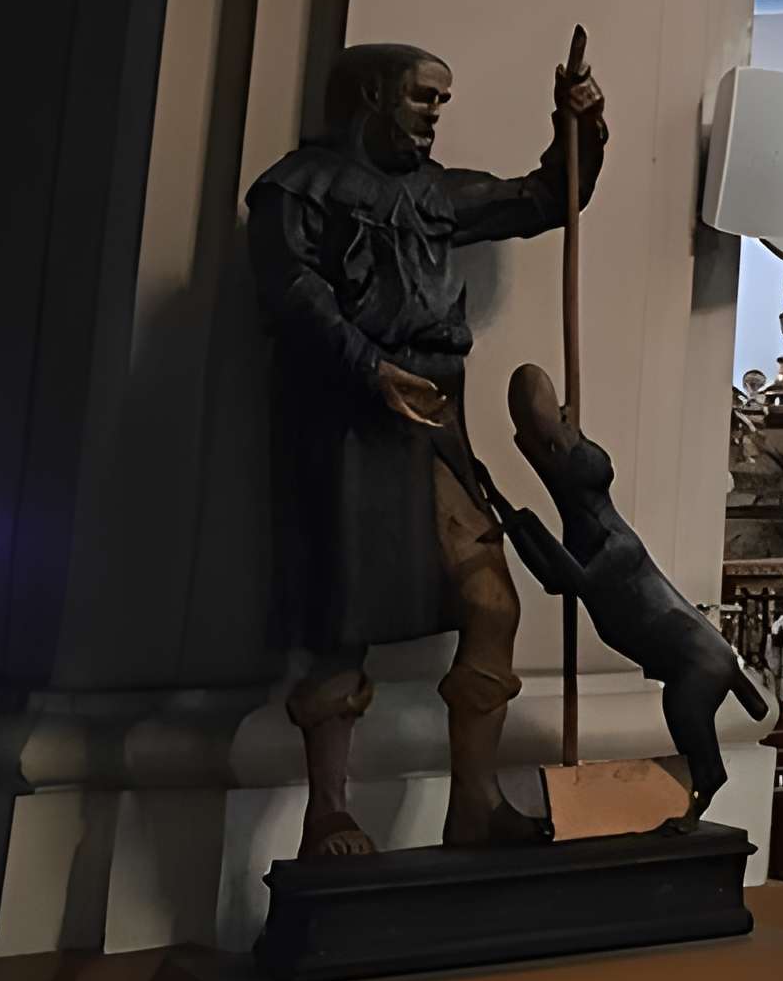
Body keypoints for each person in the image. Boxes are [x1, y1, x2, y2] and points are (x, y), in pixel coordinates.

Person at [246, 42, 605, 856]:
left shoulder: (437, 193)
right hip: (347, 418)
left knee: (492, 602)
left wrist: (579, 122)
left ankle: (474, 804)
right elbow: (292, 296)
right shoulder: (295, 188)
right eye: (422, 98)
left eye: (443, 101)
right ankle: (327, 812)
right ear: (372, 94)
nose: (437, 115)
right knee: (343, 610)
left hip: (439, 414)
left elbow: (548, 197)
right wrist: (371, 371)